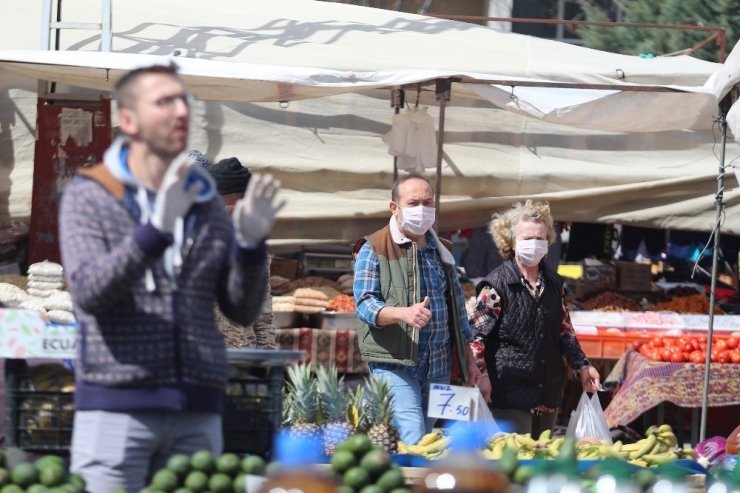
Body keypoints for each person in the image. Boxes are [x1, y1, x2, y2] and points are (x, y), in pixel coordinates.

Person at [59, 63, 284, 493]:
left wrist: (252, 248)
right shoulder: (91, 196)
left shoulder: (206, 206)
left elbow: (241, 306)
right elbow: (89, 292)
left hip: (197, 407)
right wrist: (156, 229)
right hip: (119, 406)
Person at [353, 173, 490, 446]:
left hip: (438, 365)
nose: (422, 209)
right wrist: (402, 313)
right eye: (413, 202)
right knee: (413, 437)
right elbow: (365, 303)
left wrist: (470, 362)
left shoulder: (443, 252)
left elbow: (458, 313)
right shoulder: (374, 247)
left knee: (425, 441)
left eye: (428, 202)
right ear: (395, 207)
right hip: (396, 363)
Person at [468, 200, 600, 437]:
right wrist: (482, 376)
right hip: (509, 391)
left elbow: (564, 331)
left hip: (547, 391)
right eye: (527, 238)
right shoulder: (496, 286)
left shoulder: (554, 283)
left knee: (542, 460)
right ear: (511, 242)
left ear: (548, 240)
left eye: (540, 238)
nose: (534, 243)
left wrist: (583, 365)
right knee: (515, 462)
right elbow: (476, 338)